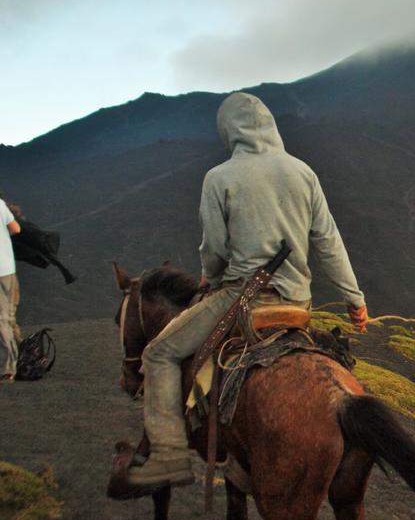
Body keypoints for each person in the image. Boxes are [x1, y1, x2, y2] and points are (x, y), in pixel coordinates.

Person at [127, 92, 369, 488]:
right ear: (271, 125)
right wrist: (355, 301)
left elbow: (214, 249)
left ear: (229, 131)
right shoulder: (303, 172)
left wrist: (209, 276)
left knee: (159, 353)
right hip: (297, 306)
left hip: (243, 301)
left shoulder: (219, 178)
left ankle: (168, 457)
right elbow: (329, 242)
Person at [0, 196, 22, 381]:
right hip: (8, 268)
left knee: (1, 319)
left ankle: (9, 367)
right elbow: (16, 229)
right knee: (8, 315)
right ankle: (22, 356)